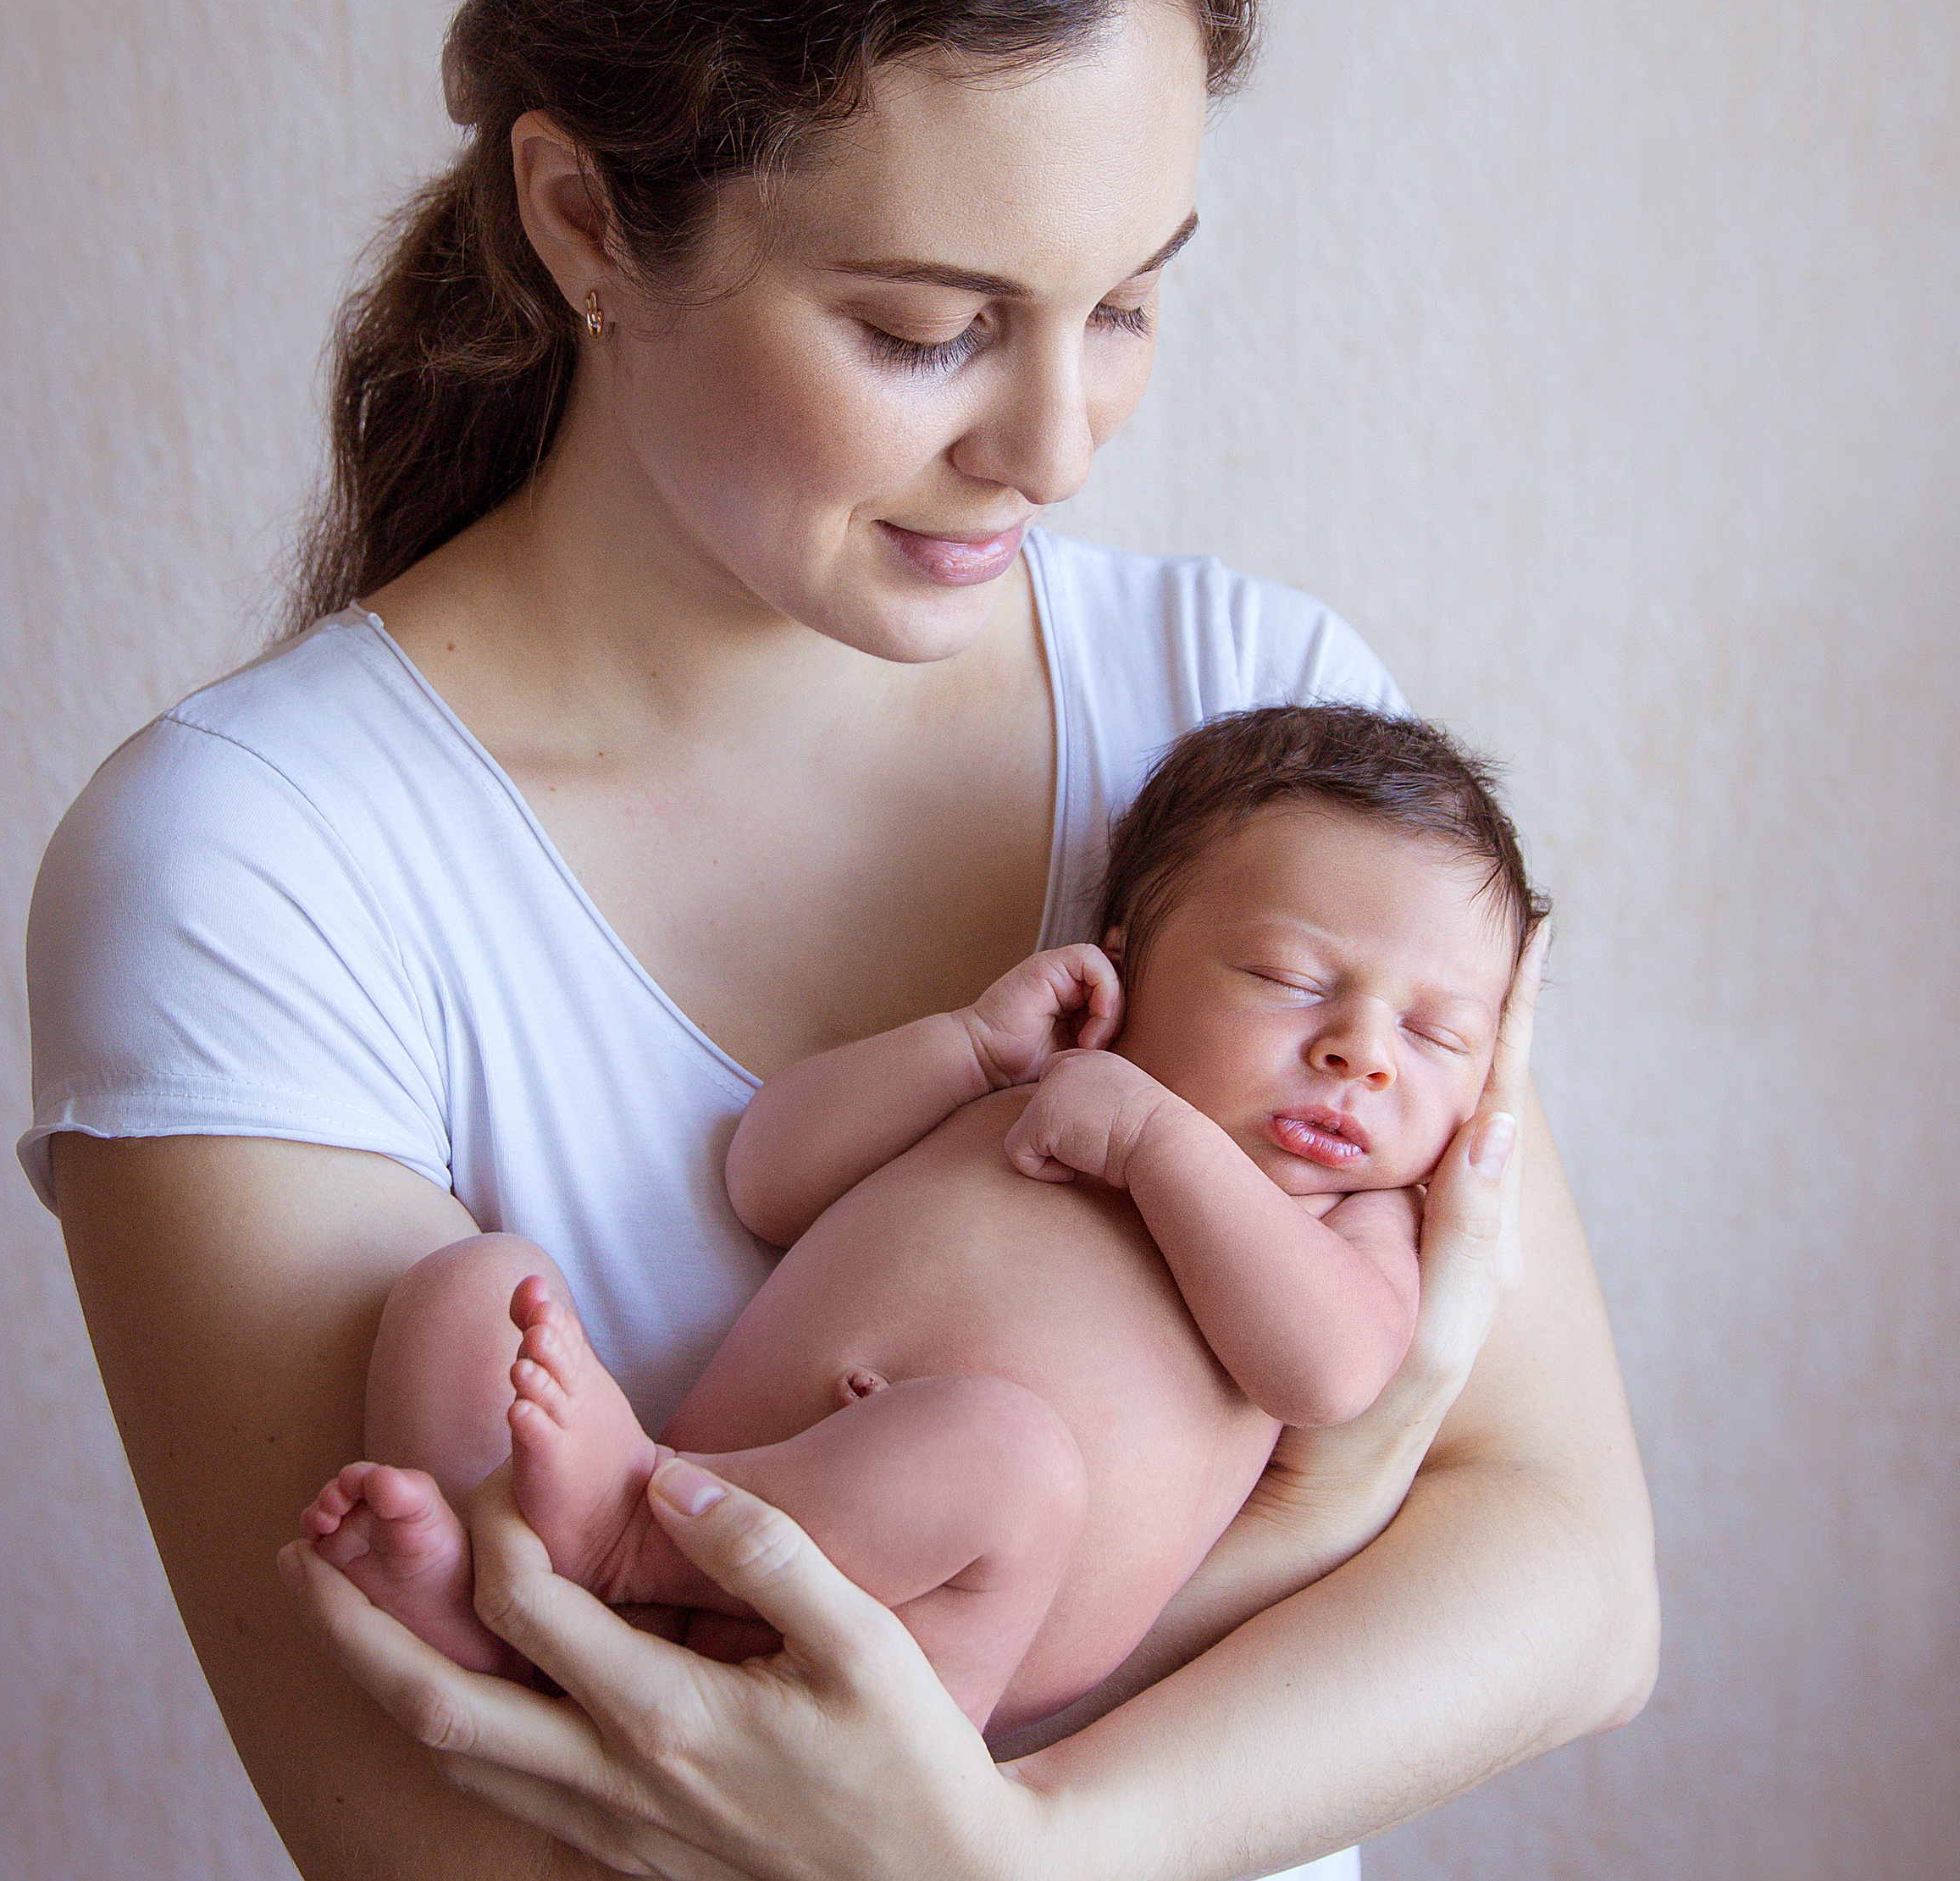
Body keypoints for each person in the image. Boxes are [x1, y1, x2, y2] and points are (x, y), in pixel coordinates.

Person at [26, 0, 1656, 1881]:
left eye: (1131, 299)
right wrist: (1308, 1535)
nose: (1057, 446)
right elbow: (446, 1851)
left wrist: (1017, 1852)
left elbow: (1565, 1576)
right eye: (923, 328)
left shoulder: (1261, 743)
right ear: (582, 213)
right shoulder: (255, 870)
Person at [302, 705, 1547, 1743]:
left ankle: (640, 1530)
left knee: (1004, 1456)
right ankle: (481, 1607)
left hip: (920, 1633)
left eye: (1440, 1034)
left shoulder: (1349, 1221)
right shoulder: (1026, 1084)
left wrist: (1154, 1142)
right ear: (1128, 963)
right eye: (1292, 980)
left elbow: (1331, 1375)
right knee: (474, 1287)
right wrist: (964, 1048)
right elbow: (766, 1176)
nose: (1361, 1054)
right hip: (705, 1489)